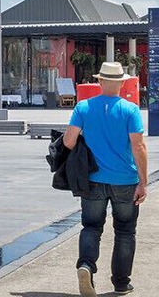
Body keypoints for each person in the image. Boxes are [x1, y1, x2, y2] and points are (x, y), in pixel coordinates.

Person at [63, 62, 147, 296]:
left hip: (92, 180)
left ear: (100, 81)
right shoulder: (130, 110)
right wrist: (143, 182)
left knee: (91, 226)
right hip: (125, 181)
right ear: (121, 83)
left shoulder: (83, 107)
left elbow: (69, 142)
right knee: (125, 231)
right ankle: (121, 283)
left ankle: (86, 265)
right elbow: (138, 146)